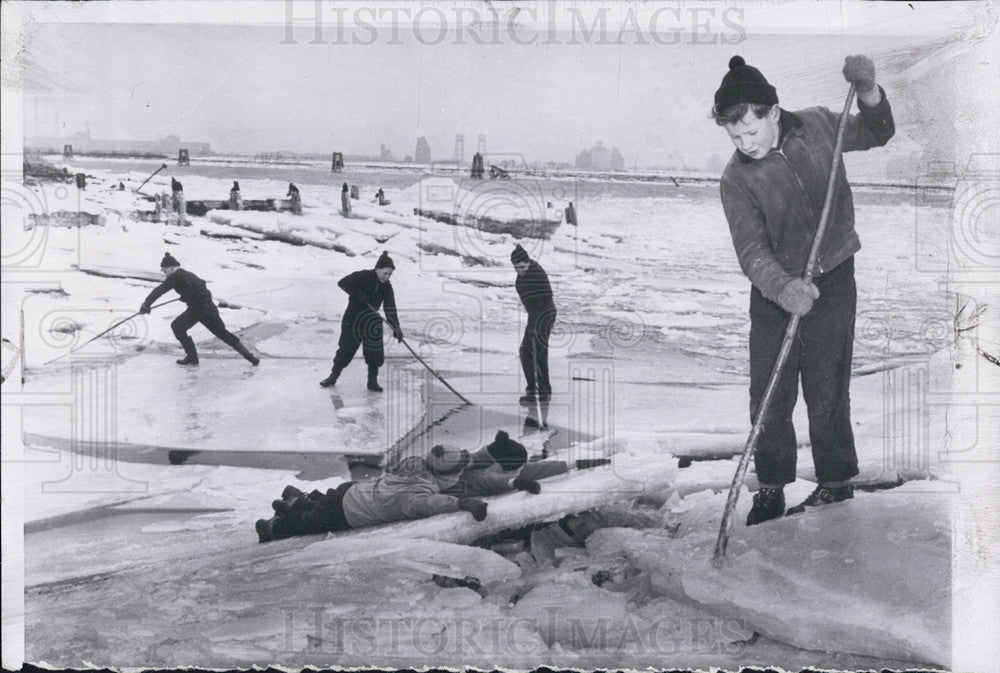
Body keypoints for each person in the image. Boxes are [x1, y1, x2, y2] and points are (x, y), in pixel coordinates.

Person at [712, 55, 894, 525]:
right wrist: (784, 287)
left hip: (833, 277)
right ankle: (771, 488)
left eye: (751, 132)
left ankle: (835, 484)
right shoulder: (736, 179)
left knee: (827, 385)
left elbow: (878, 132)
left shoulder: (817, 126)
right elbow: (751, 250)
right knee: (770, 396)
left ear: (773, 112)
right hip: (776, 293)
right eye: (735, 137)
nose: (745, 145)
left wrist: (870, 90)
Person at [255, 444, 489, 542]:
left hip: (353, 489)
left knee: (324, 502)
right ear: (445, 476)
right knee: (310, 522)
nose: (458, 479)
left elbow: (446, 461)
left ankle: (297, 500)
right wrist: (461, 503)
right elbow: (428, 504)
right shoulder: (421, 492)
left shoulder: (415, 463)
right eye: (456, 475)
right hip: (349, 512)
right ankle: (273, 527)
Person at [140, 253, 260, 367]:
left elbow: (159, 290)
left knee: (177, 326)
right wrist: (187, 295)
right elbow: (201, 285)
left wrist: (146, 304)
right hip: (209, 307)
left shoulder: (175, 276)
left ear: (171, 268)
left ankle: (192, 357)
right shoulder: (187, 274)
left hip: (198, 309)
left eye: (165, 271)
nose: (165, 274)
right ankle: (250, 357)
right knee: (223, 333)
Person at [320, 251, 403, 391]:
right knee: (346, 349)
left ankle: (372, 382)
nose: (387, 277)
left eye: (390, 274)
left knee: (374, 351)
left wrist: (396, 328)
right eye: (385, 273)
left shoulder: (386, 287)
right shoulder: (362, 276)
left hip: (371, 320)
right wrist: (357, 293)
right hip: (353, 318)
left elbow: (390, 307)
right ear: (377, 269)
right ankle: (333, 377)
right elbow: (342, 282)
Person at [441, 430, 610, 498]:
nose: (522, 468)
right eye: (518, 466)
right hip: (452, 493)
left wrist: (574, 464)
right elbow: (491, 482)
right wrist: (517, 483)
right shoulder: (476, 474)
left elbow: (535, 469)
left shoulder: (493, 461)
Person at [511, 244, 556, 405]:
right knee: (532, 351)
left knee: (531, 351)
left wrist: (535, 328)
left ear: (528, 262)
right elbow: (529, 305)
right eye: (516, 268)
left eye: (522, 267)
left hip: (545, 313)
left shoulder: (536, 274)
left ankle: (536, 391)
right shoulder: (521, 280)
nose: (520, 271)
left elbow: (543, 301)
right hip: (537, 314)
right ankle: (543, 390)